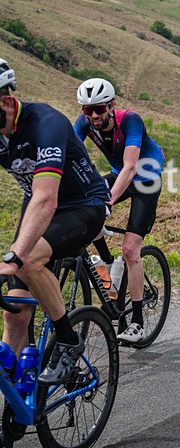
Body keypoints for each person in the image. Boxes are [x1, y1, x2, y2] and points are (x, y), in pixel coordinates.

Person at [0, 57, 110, 384]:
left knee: (27, 260)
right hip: (36, 204)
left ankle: (68, 339)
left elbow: (47, 198)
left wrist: (14, 256)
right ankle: (18, 402)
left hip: (81, 205)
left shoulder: (45, 122)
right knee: (15, 314)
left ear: (5, 102)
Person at [73, 78, 164, 343]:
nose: (93, 115)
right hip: (119, 175)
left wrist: (108, 201)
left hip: (145, 178)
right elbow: (67, 155)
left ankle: (136, 322)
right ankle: (109, 264)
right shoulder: (84, 124)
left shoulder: (131, 120)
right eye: (87, 110)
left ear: (111, 106)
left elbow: (130, 167)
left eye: (99, 109)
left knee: (130, 250)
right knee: (85, 209)